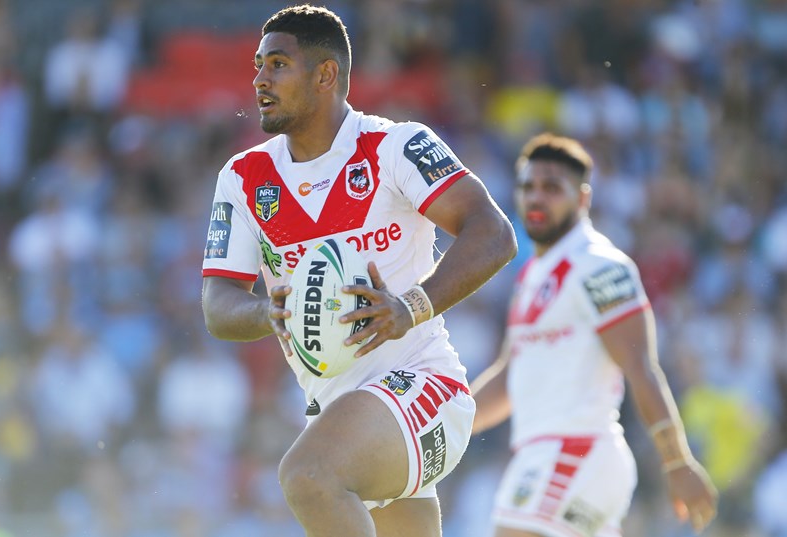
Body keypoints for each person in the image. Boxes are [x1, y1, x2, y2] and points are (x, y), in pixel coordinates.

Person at [200, 5, 518, 537]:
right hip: (341, 412)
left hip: (423, 387)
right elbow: (217, 305)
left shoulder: (396, 146)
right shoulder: (242, 178)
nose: (259, 79)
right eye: (258, 65)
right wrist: (267, 312)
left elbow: (494, 233)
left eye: (278, 64)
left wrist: (409, 307)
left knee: (309, 475)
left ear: (326, 75)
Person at [470, 133, 718, 537]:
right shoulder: (531, 275)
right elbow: (511, 374)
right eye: (528, 187)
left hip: (577, 449)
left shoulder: (599, 266)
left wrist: (677, 460)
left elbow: (640, 366)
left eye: (552, 188)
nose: (536, 198)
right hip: (543, 453)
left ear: (583, 198)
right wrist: (449, 423)